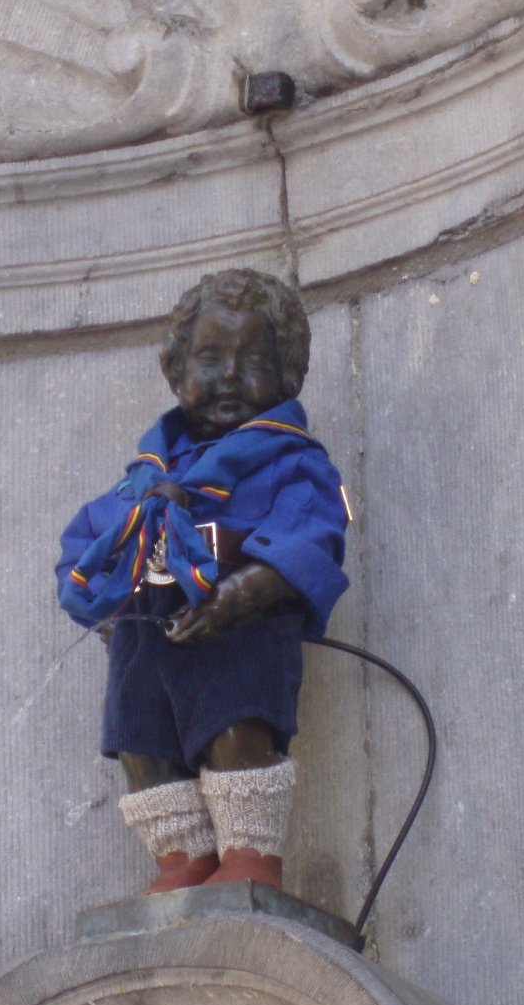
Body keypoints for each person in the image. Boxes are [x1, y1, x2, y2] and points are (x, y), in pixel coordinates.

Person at [56, 268, 349, 894]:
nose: (231, 379)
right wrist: (101, 600)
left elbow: (310, 533)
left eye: (254, 361)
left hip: (237, 627)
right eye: (211, 358)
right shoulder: (145, 475)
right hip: (145, 634)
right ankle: (180, 856)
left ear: (289, 376)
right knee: (139, 736)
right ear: (175, 368)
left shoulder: (290, 462)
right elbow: (89, 541)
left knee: (234, 722)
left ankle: (248, 853)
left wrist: (254, 589)